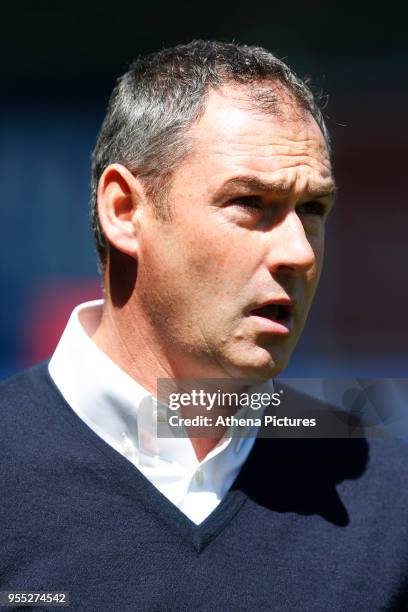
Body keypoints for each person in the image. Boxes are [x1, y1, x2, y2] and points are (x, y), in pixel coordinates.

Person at [0, 40, 407, 611]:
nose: (299, 252)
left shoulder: (388, 498)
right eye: (249, 202)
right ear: (124, 211)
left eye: (312, 209)